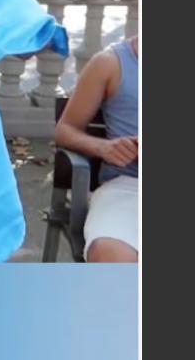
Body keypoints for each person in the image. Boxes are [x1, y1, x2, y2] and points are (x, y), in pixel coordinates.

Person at [55, 35, 139, 262]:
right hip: (129, 188)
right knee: (110, 253)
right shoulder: (110, 63)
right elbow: (65, 130)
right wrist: (104, 147)